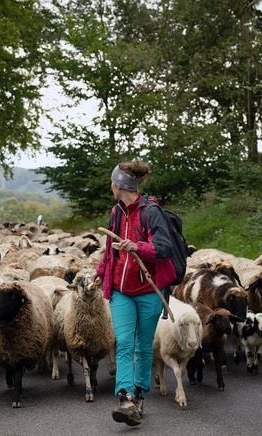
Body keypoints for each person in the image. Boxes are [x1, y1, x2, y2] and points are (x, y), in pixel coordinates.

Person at [94, 160, 176, 427]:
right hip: (121, 290)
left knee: (143, 347)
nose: (111, 186)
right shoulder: (116, 213)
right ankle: (125, 398)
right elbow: (110, 249)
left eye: (112, 182)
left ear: (120, 185)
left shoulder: (151, 212)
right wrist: (101, 271)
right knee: (124, 343)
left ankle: (139, 395)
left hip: (149, 291)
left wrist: (138, 247)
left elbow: (163, 248)